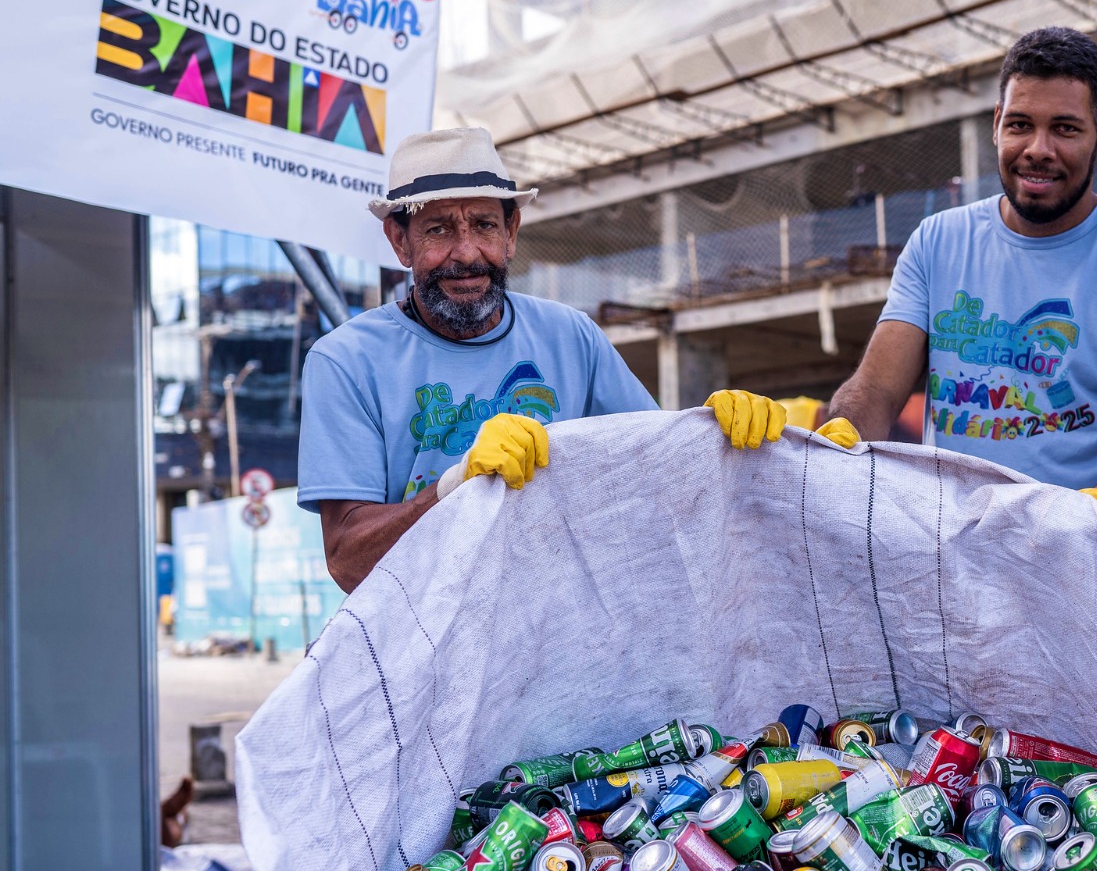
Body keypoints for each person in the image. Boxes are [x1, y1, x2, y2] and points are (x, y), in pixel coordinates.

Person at [298, 127, 787, 591]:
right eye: (439, 229)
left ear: (511, 232)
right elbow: (347, 561)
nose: (467, 253)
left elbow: (658, 479)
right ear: (400, 240)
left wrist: (722, 441)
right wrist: (453, 489)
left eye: (485, 225)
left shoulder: (571, 336)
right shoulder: (346, 361)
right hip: (424, 651)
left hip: (562, 638)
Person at [825, 28, 1097, 500]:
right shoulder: (937, 241)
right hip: (946, 542)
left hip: (1078, 546)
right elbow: (875, 390)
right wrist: (833, 442)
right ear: (998, 123)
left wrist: (1057, 531)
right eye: (1021, 124)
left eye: (1064, 128)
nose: (1038, 150)